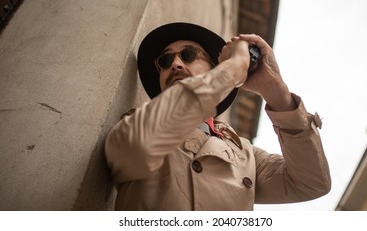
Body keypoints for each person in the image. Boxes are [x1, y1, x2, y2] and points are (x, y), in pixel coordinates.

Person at [104, 22, 331, 210]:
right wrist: (235, 68)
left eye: (189, 55)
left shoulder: (244, 153)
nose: (175, 64)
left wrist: (277, 92)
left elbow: (312, 182)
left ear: (214, 69)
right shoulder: (134, 124)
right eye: (165, 61)